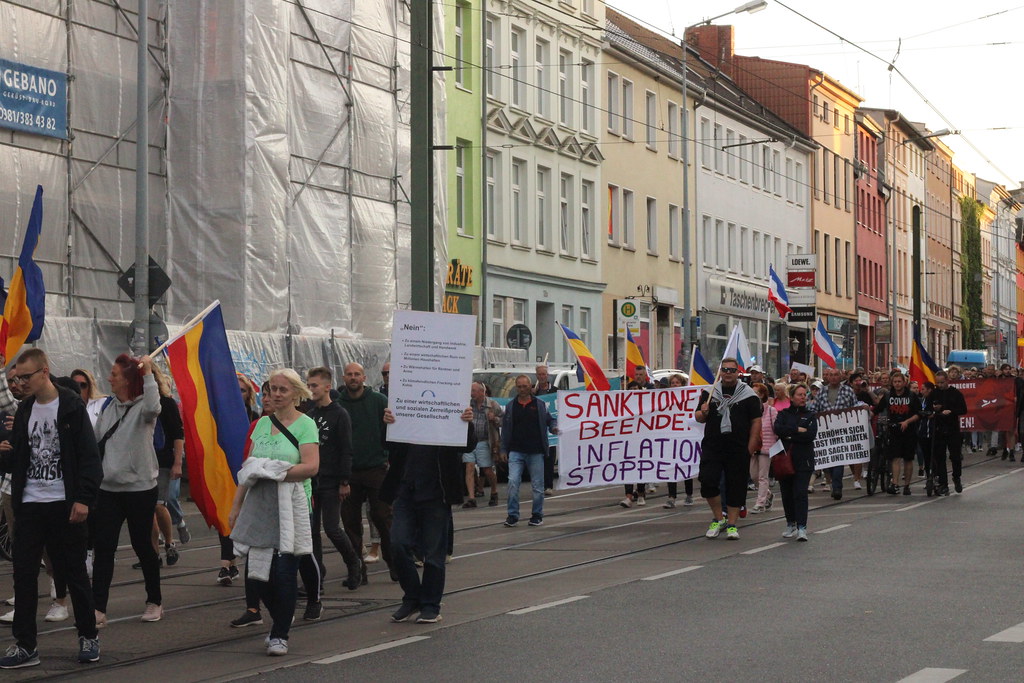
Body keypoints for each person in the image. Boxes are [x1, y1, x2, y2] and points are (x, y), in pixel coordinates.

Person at [0, 349, 103, 668]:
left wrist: (84, 499)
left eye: (25, 377)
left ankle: (88, 635)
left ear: (44, 372)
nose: (20, 383)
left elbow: (89, 457)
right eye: (17, 378)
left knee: (74, 573)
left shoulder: (71, 406)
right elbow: (21, 457)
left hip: (64, 504)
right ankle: (25, 645)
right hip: (30, 504)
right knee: (24, 575)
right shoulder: (26, 409)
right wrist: (5, 454)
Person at [229, 369, 319, 657]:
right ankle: (282, 615)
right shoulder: (260, 425)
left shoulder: (306, 424)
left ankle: (280, 634)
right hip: (260, 506)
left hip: (293, 506)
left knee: (284, 573)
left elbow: (311, 466)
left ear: (296, 393)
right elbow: (249, 470)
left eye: (283, 390)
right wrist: (236, 506)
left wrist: (273, 471)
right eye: (272, 390)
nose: (276, 395)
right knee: (258, 576)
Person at [382, 406, 474, 624]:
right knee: (397, 543)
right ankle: (413, 596)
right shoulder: (405, 406)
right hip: (406, 488)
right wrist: (387, 424)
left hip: (436, 491)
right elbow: (386, 444)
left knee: (433, 554)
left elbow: (468, 444)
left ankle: (430, 605)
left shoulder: (451, 406)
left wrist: (466, 423)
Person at [92, 354, 163, 626]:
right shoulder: (108, 407)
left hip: (139, 489)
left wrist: (148, 373)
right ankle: (98, 608)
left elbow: (154, 406)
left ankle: (154, 601)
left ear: (128, 380)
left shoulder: (144, 407)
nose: (109, 378)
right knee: (104, 548)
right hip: (108, 489)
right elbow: (96, 440)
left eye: (114, 374)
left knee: (142, 545)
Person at [304, 367, 362, 598]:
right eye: (309, 385)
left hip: (331, 480)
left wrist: (344, 480)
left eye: (314, 385)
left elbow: (347, 449)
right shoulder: (309, 415)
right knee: (311, 532)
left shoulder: (340, 414)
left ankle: (353, 562)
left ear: (327, 387)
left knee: (331, 528)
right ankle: (316, 576)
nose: (311, 389)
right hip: (312, 480)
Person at [337, 363, 395, 581]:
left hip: (376, 468)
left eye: (357, 374)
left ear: (364, 378)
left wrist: (387, 455)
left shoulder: (379, 401)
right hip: (348, 471)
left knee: (382, 516)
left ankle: (394, 562)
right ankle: (356, 568)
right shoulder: (338, 405)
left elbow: (391, 429)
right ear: (344, 378)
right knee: (350, 522)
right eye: (349, 374)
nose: (353, 378)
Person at [694, 358, 762, 540]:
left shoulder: (749, 395)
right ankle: (719, 518)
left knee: (736, 486)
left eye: (732, 370)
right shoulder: (710, 393)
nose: (728, 373)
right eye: (725, 370)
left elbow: (756, 422)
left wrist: (751, 447)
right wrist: (703, 411)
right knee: (708, 481)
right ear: (720, 372)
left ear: (738, 373)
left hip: (738, 447)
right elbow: (699, 417)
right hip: (713, 446)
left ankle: (732, 524)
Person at [501, 375, 558, 527]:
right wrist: (503, 449)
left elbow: (550, 420)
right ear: (516, 388)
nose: (522, 389)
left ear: (530, 386)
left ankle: (537, 515)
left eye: (525, 386)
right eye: (519, 386)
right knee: (513, 482)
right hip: (516, 451)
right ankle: (512, 515)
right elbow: (505, 429)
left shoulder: (539, 404)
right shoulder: (511, 406)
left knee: (538, 486)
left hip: (535, 451)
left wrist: (554, 427)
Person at [774, 383, 818, 541]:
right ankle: (790, 523)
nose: (803, 397)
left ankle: (802, 527)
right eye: (799, 395)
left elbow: (810, 435)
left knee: (800, 493)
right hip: (785, 459)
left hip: (804, 460)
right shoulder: (783, 414)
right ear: (791, 397)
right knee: (787, 493)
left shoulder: (810, 415)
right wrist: (797, 430)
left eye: (804, 395)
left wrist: (790, 434)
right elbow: (778, 429)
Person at [808, 367, 859, 500]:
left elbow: (855, 408)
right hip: (826, 433)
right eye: (831, 375)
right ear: (828, 377)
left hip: (842, 432)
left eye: (836, 375)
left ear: (840, 377)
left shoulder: (848, 391)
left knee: (839, 460)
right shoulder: (822, 392)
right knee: (829, 461)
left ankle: (837, 487)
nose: (834, 377)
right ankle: (832, 483)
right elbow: (814, 409)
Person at [873, 371, 920, 495]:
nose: (897, 384)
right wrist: (867, 414)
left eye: (899, 382)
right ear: (892, 383)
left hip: (909, 431)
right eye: (895, 382)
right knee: (895, 457)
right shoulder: (888, 396)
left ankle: (907, 485)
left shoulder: (911, 396)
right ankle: (895, 484)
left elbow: (918, 414)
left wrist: (907, 421)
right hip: (894, 431)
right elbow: (877, 409)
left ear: (904, 383)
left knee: (908, 459)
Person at [462, 381, 502, 509]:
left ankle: (494, 492)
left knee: (487, 469)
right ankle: (471, 498)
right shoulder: (468, 404)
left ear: (481, 392)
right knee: (469, 467)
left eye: (474, 391)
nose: (471, 393)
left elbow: (503, 421)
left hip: (484, 441)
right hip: (469, 441)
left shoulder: (492, 405)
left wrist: (494, 418)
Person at [930, 370, 968, 495]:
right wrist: (934, 410)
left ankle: (956, 477)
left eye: (942, 382)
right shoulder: (934, 393)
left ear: (947, 381)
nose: (940, 385)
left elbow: (963, 409)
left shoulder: (955, 393)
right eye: (938, 383)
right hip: (939, 428)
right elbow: (927, 407)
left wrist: (951, 411)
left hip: (953, 429)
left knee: (955, 456)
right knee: (940, 457)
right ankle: (943, 483)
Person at [663, 373, 694, 508]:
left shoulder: (689, 400)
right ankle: (671, 497)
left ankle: (689, 494)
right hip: (670, 439)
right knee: (671, 468)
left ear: (682, 384)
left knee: (686, 466)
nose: (675, 385)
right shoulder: (665, 400)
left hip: (685, 438)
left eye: (677, 383)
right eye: (672, 383)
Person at [749, 383, 777, 514]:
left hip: (766, 446)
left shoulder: (771, 410)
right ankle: (768, 495)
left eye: (755, 393)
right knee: (754, 475)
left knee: (762, 477)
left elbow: (776, 428)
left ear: (762, 395)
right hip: (753, 447)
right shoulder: (749, 411)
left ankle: (760, 503)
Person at [533, 365, 558, 495]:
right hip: (536, 431)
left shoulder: (554, 390)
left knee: (549, 459)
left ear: (547, 375)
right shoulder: (533, 391)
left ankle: (548, 485)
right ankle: (539, 485)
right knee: (537, 460)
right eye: (539, 374)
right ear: (536, 376)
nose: (542, 377)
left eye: (544, 374)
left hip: (550, 431)